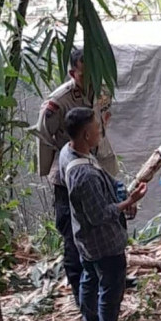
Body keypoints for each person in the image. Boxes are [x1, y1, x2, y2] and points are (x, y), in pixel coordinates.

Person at [32, 49, 118, 305]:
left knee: (102, 226)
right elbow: (44, 136)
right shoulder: (59, 101)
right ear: (73, 73)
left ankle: (101, 283)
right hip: (69, 173)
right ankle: (81, 295)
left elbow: (104, 123)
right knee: (73, 233)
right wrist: (53, 167)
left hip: (98, 165)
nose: (92, 77)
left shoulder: (102, 92)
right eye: (85, 73)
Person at [59, 108, 148, 321]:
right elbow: (99, 215)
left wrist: (119, 193)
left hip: (84, 239)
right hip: (103, 243)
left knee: (90, 278)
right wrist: (128, 202)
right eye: (97, 127)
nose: (101, 131)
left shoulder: (68, 152)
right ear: (86, 135)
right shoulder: (84, 175)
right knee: (111, 286)